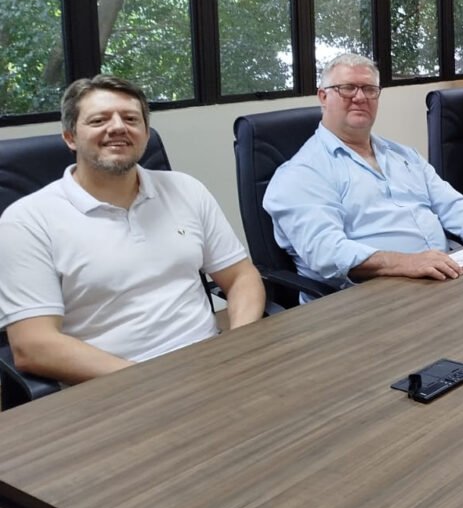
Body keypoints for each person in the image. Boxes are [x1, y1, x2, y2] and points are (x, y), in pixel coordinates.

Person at [0, 75, 265, 385]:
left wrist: (238, 346)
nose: (117, 127)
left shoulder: (186, 189)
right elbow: (33, 345)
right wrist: (149, 380)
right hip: (111, 388)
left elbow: (241, 277)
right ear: (70, 137)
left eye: (130, 119)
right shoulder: (27, 221)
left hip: (210, 366)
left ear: (145, 133)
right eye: (99, 120)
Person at [264, 53, 463, 293]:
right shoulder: (302, 173)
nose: (360, 97)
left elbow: (450, 202)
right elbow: (326, 252)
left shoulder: (403, 156)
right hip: (365, 299)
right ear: (323, 96)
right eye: (347, 88)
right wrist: (406, 262)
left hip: (437, 279)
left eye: (369, 89)